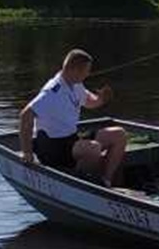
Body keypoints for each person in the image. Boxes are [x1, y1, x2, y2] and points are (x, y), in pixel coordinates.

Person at [20, 49, 129, 187]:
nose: (88, 74)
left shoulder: (76, 85)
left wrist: (101, 99)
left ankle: (105, 181)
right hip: (53, 147)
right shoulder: (52, 92)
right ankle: (81, 184)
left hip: (71, 139)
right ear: (74, 70)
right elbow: (26, 115)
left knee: (119, 134)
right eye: (86, 71)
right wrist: (26, 152)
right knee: (93, 148)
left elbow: (89, 102)